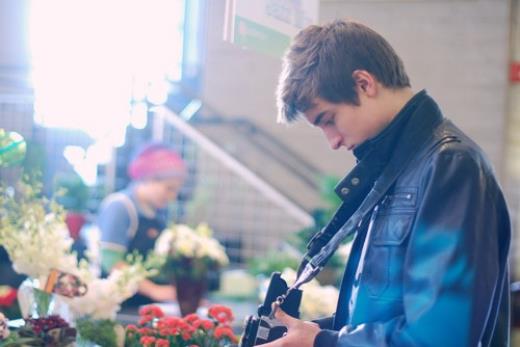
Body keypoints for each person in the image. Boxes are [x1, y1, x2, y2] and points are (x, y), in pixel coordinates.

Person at [264, 19, 511, 347]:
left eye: (328, 119)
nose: (332, 142)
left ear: (364, 83)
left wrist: (325, 342)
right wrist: (315, 334)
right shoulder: (396, 167)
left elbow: (441, 339)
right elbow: (383, 315)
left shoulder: (451, 165)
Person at [97, 142, 186, 306]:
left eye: (175, 191)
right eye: (169, 188)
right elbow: (110, 261)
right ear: (148, 178)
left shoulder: (156, 213)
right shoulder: (120, 206)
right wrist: (154, 290)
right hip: (117, 304)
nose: (172, 196)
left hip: (143, 304)